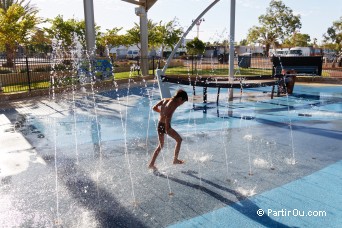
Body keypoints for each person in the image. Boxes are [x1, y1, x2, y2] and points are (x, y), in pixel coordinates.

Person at [148, 89, 188, 170]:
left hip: (160, 125)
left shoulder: (165, 99)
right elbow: (167, 115)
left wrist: (161, 113)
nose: (181, 104)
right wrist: (167, 128)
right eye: (183, 102)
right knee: (179, 140)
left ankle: (151, 164)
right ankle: (175, 159)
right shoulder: (174, 103)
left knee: (161, 145)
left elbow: (154, 107)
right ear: (180, 99)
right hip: (166, 125)